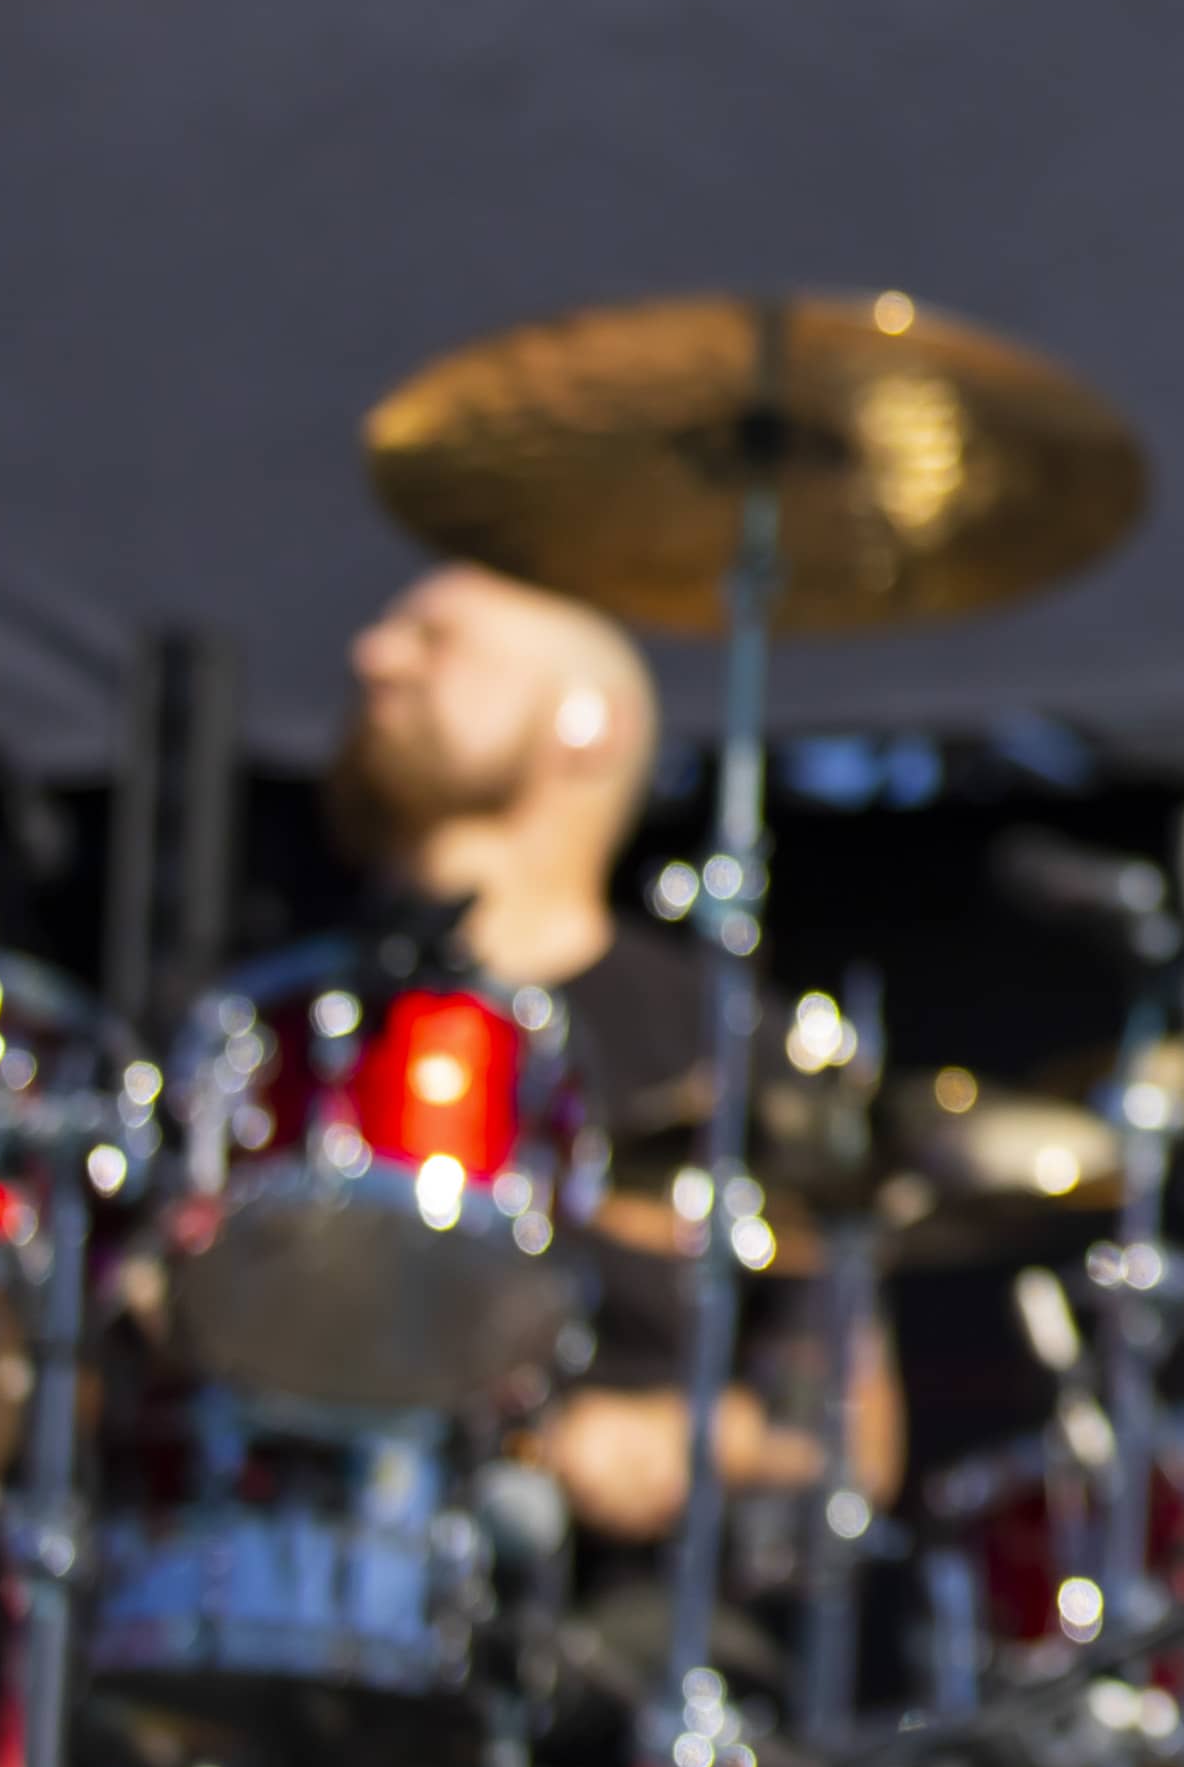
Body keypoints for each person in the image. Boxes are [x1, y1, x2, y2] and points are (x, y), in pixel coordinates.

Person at [332, 562, 900, 1562]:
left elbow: (850, 1430)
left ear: (585, 725)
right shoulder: (280, 1016)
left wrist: (683, 1438)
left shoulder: (723, 1046)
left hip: (608, 1642)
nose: (372, 657)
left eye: (436, 640)